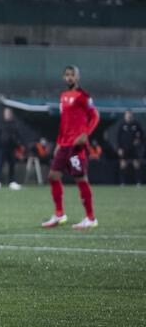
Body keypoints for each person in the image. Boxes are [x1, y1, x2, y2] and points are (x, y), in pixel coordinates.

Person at [41, 66, 100, 230]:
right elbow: (65, 122)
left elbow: (95, 116)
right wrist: (59, 142)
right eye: (66, 75)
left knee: (81, 178)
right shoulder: (63, 96)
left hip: (77, 146)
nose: (69, 78)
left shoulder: (83, 96)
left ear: (77, 77)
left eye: (72, 75)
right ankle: (59, 215)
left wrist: (85, 134)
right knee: (53, 176)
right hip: (64, 144)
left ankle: (91, 218)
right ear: (63, 78)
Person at [0, 108, 22, 191]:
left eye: (9, 113)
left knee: (12, 165)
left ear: (11, 114)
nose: (8, 114)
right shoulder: (0, 124)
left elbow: (17, 136)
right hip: (2, 148)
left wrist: (17, 144)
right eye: (6, 113)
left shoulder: (14, 124)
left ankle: (12, 182)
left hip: (11, 148)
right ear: (4, 114)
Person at [116, 110, 143, 186]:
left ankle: (138, 182)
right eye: (127, 114)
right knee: (123, 164)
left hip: (134, 148)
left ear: (132, 115)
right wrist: (119, 148)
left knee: (136, 164)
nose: (129, 116)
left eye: (130, 114)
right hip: (124, 148)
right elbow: (118, 138)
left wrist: (138, 140)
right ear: (125, 115)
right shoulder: (122, 125)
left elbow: (141, 134)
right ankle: (122, 182)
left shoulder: (136, 124)